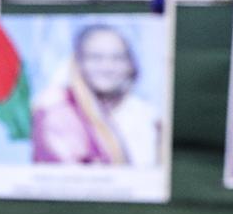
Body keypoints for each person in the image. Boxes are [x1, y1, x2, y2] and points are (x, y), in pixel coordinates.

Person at [31, 24, 160, 167]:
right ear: (78, 62)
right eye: (96, 58)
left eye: (118, 58)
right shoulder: (58, 109)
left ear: (131, 64)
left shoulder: (146, 115)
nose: (107, 67)